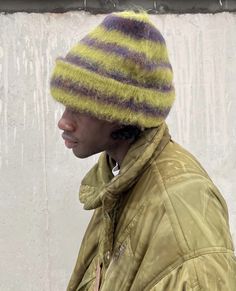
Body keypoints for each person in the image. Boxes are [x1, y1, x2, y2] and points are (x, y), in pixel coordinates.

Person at [50, 11, 236, 291]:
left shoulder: (181, 209)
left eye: (80, 106)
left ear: (121, 111)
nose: (63, 121)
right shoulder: (121, 185)